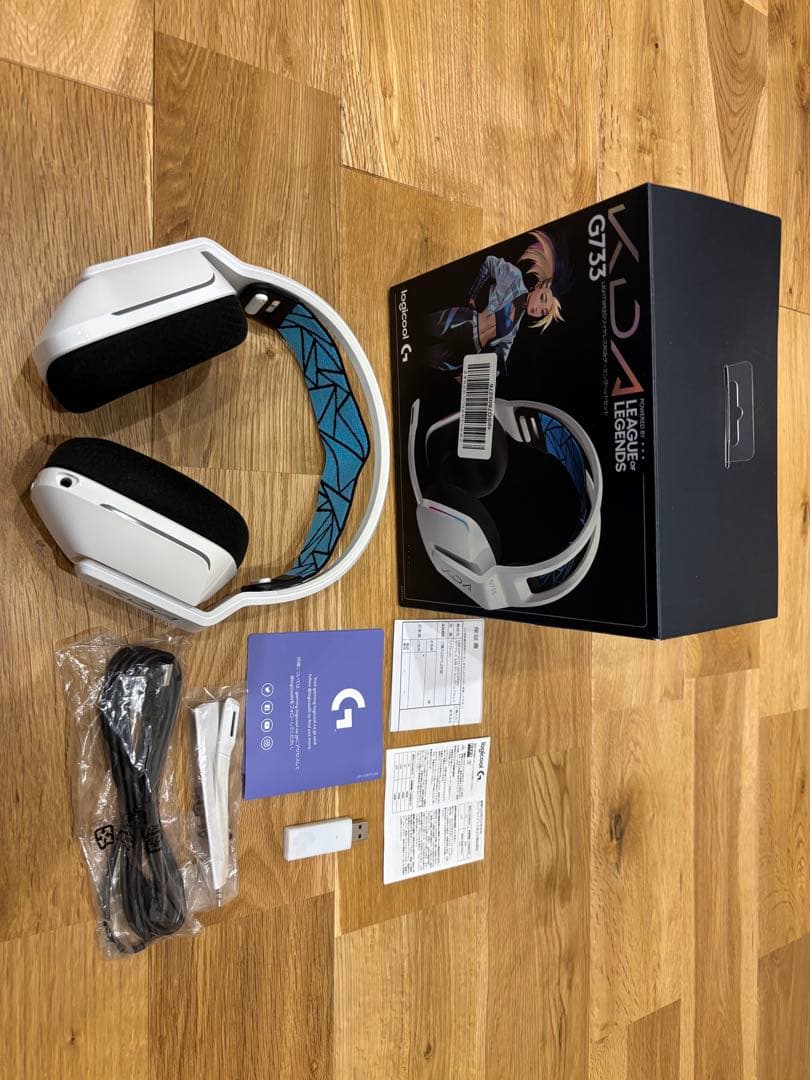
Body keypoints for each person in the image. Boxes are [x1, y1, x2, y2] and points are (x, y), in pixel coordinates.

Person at [422, 230, 564, 375]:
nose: (538, 309)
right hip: (462, 321)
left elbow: (499, 361)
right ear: (538, 286)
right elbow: (490, 262)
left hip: (469, 349)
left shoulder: (514, 329)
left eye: (543, 312)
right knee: (421, 326)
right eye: (542, 299)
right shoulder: (514, 278)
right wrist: (473, 295)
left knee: (423, 358)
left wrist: (479, 373)